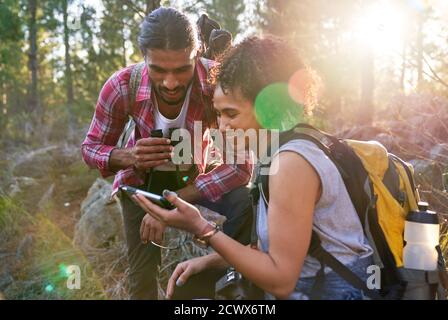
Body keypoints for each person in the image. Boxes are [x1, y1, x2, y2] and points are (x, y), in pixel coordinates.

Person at [132, 35, 375, 300]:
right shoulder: (278, 152)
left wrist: (202, 228)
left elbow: (281, 281)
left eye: (231, 114)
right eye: (219, 113)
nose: (221, 126)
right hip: (313, 284)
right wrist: (210, 262)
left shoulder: (291, 164)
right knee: (188, 289)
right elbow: (272, 250)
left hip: (334, 292)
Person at [81, 7, 253, 300]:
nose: (171, 83)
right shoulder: (122, 86)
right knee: (142, 277)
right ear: (144, 56)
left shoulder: (216, 83)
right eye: (158, 70)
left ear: (196, 54)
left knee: (243, 204)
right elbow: (90, 149)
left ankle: (216, 289)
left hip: (194, 179)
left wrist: (171, 204)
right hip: (140, 183)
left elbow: (239, 168)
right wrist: (129, 156)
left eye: (182, 69)